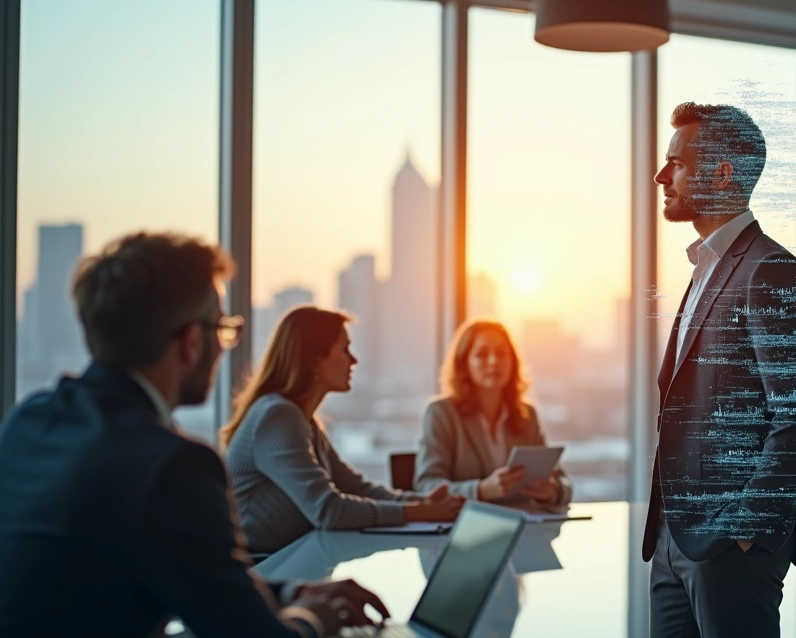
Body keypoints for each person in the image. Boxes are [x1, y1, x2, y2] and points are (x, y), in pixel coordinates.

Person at [0, 232, 387, 637]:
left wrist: (292, 590)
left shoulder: (30, 420)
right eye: (222, 329)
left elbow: (190, 580)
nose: (224, 347)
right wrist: (319, 615)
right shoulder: (173, 464)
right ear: (190, 342)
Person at [644, 102, 796, 638]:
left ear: (722, 173)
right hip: (675, 540)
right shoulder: (707, 267)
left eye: (675, 162)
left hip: (728, 548)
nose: (661, 175)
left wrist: (744, 530)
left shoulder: (769, 269)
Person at [222, 306, 465, 554]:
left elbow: (357, 488)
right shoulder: (276, 417)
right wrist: (420, 511)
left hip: (288, 561)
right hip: (259, 570)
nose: (354, 360)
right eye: (344, 349)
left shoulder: (305, 421)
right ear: (314, 360)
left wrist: (424, 502)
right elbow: (329, 510)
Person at [415, 319, 572, 505]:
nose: (493, 361)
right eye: (481, 354)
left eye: (501, 353)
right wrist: (480, 490)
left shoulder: (525, 414)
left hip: (524, 526)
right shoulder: (441, 413)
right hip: (465, 528)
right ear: (464, 363)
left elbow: (562, 480)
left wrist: (554, 491)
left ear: (512, 362)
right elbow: (426, 486)